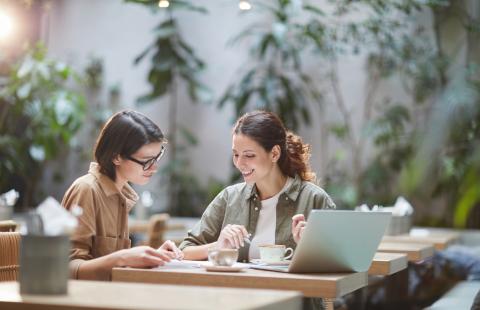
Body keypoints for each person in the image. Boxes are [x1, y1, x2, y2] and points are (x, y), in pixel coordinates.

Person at [179, 110, 335, 262]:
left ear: (274, 153)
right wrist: (218, 246)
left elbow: (339, 267)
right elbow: (184, 251)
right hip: (239, 288)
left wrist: (311, 249)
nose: (239, 163)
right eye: (236, 154)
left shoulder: (315, 200)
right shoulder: (229, 198)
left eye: (249, 155)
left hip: (293, 289)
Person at [62, 110, 183, 281]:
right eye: (147, 161)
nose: (154, 168)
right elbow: (68, 268)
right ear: (116, 157)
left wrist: (151, 255)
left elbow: (112, 265)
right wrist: (123, 257)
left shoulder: (120, 194)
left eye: (157, 157)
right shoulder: (86, 190)